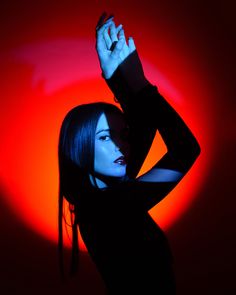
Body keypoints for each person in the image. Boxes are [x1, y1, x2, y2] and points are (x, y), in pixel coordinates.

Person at [58, 13, 201, 294]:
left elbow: (142, 127)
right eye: (104, 137)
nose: (120, 145)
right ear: (78, 149)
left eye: (121, 136)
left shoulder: (99, 201)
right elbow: (185, 149)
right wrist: (140, 84)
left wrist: (117, 80)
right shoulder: (110, 208)